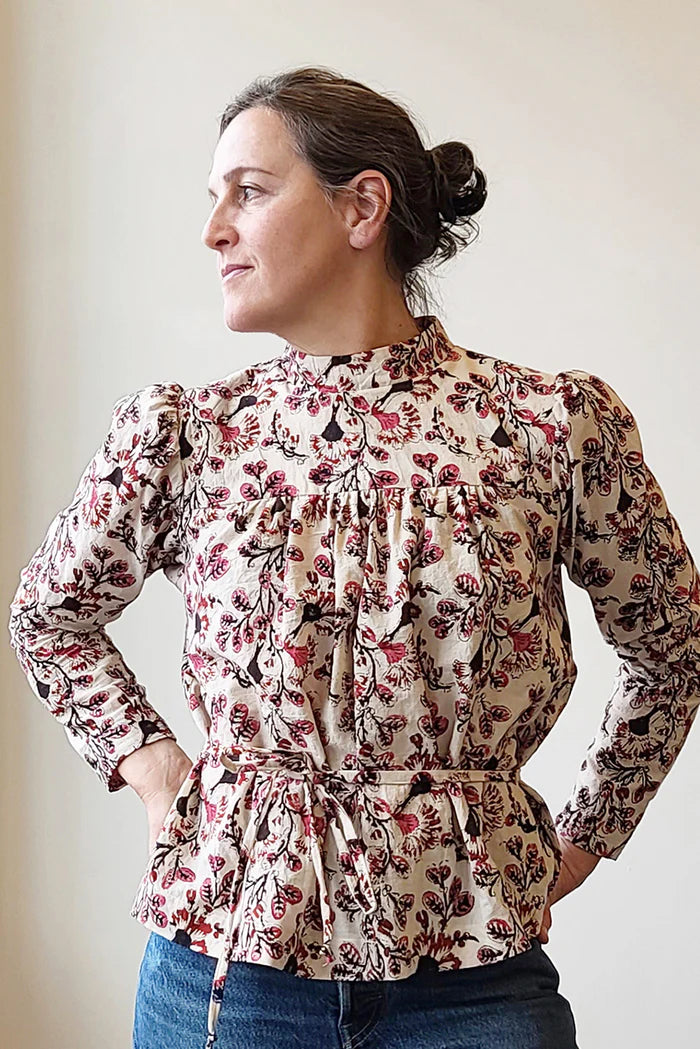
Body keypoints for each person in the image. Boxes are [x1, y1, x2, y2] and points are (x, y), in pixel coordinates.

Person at [8, 64, 700, 1049]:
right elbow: (49, 613)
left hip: (476, 987)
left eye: (248, 191)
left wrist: (586, 836)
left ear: (361, 207)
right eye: (213, 197)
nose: (213, 230)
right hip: (224, 980)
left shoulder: (548, 425)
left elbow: (672, 641)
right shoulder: (190, 433)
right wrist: (156, 768)